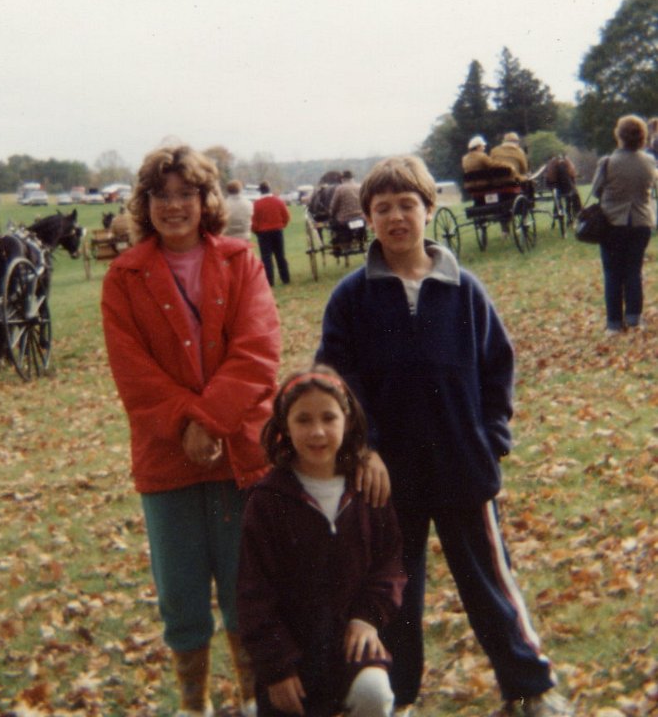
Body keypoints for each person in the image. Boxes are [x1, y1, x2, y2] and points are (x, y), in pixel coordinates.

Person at [316, 155, 575, 717]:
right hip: (387, 476)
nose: (396, 217)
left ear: (430, 209)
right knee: (394, 591)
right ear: (368, 217)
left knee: (490, 582)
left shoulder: (464, 289)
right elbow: (335, 381)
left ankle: (530, 687)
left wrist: (492, 437)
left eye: (407, 205)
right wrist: (363, 448)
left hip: (462, 463)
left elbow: (497, 367)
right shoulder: (352, 297)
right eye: (383, 208)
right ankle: (396, 696)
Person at [101, 145, 282, 717]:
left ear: (207, 201)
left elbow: (258, 351)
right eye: (161, 195)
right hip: (167, 455)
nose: (173, 205)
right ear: (144, 203)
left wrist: (210, 421)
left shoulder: (241, 260)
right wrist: (188, 424)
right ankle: (193, 706)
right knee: (180, 595)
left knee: (245, 585)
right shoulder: (124, 277)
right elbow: (133, 372)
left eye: (186, 194)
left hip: (240, 450)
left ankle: (253, 701)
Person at [237, 365, 406, 717]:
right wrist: (277, 667)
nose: (317, 432)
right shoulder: (267, 501)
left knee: (374, 694)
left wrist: (367, 618)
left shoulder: (366, 489)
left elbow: (389, 565)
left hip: (352, 648)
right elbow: (253, 594)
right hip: (292, 660)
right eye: (303, 420)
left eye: (329, 418)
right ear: (284, 426)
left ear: (348, 421)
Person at [591, 115, 657, 333]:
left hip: (613, 222)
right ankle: (634, 318)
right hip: (641, 221)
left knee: (612, 272)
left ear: (619, 135)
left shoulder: (607, 162)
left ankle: (614, 323)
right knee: (633, 271)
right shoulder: (649, 162)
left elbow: (596, 191)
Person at [251, 181, 291, 286]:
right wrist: (281, 225)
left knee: (266, 257)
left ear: (260, 191)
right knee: (280, 255)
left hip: (263, 233)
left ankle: (269, 281)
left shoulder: (256, 204)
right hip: (277, 230)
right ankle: (285, 278)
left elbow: (253, 221)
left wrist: (256, 230)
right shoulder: (278, 201)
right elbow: (286, 216)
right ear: (269, 189)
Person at [329, 170, 364, 246]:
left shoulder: (340, 189)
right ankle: (361, 240)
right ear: (352, 178)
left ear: (342, 179)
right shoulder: (360, 187)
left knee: (333, 225)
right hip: (361, 218)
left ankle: (337, 242)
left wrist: (331, 214)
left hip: (345, 220)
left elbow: (334, 205)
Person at [460, 135, 495, 205]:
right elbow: (493, 165)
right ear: (478, 147)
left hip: (470, 186)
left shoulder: (464, 158)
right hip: (483, 185)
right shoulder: (482, 156)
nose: (484, 148)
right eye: (483, 146)